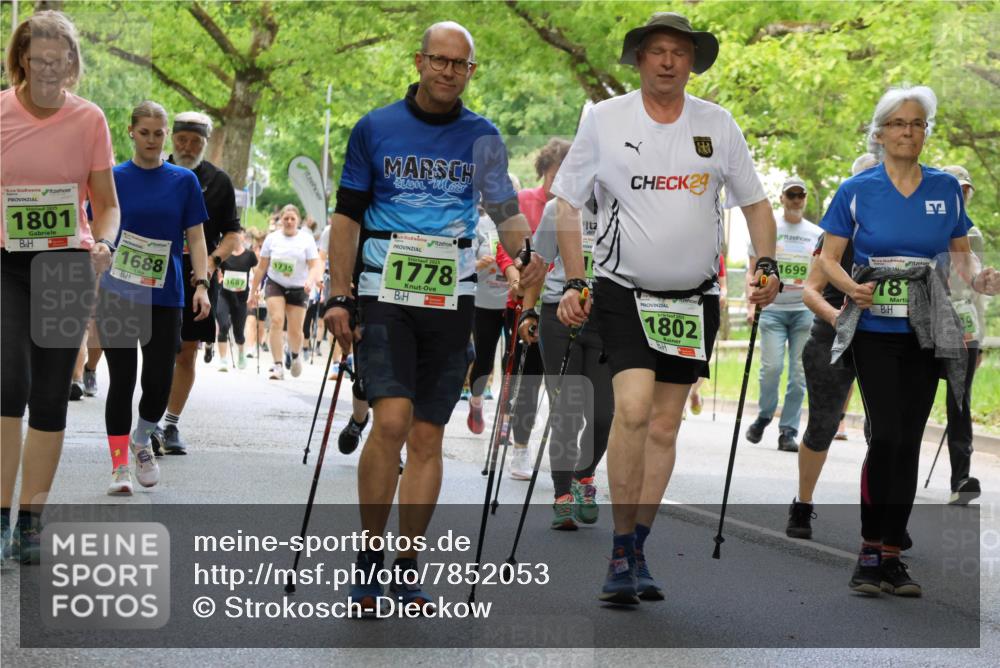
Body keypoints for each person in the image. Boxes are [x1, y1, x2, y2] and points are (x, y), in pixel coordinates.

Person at [552, 12, 779, 604]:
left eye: (680, 51)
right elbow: (567, 204)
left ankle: (636, 548)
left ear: (692, 62)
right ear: (639, 59)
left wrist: (766, 264)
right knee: (631, 410)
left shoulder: (717, 124)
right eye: (657, 50)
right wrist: (575, 279)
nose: (669, 61)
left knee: (664, 424)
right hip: (624, 291)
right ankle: (618, 546)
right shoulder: (605, 119)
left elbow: (756, 205)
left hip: (693, 299)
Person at [323, 21, 546, 614]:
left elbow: (504, 212)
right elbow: (346, 216)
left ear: (470, 71)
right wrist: (339, 293)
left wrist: (525, 256)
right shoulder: (374, 128)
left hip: (452, 297)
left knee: (427, 433)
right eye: (439, 60)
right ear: (420, 61)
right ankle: (369, 558)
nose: (449, 71)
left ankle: (406, 565)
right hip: (385, 291)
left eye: (460, 64)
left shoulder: (484, 137)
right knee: (391, 420)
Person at [817, 85, 999, 597]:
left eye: (917, 124)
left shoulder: (945, 189)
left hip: (927, 329)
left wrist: (980, 277)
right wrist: (851, 287)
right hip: (874, 329)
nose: (908, 132)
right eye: (898, 123)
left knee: (909, 439)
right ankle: (868, 550)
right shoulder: (857, 190)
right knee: (887, 437)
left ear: (925, 133)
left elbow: (962, 256)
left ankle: (893, 556)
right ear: (880, 133)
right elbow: (828, 258)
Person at [1, 10, 119, 562]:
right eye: (39, 59)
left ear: (72, 62)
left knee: (51, 394)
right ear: (21, 60)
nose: (49, 69)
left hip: (67, 264)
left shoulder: (89, 119)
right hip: (6, 263)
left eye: (59, 60)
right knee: (8, 384)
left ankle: (30, 520)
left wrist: (105, 242)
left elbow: (107, 204)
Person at [99, 101, 211, 495]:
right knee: (122, 380)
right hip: (117, 291)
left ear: (167, 136)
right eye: (144, 132)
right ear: (131, 132)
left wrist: (202, 283)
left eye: (158, 133)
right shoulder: (111, 178)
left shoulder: (183, 180)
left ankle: (142, 438)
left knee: (159, 381)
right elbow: (96, 228)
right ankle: (119, 467)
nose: (151, 140)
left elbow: (196, 237)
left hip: (165, 295)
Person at [787, 153, 879, 540]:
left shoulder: (902, 232)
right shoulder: (836, 232)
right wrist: (834, 316)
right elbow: (810, 290)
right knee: (823, 424)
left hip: (885, 339)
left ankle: (883, 517)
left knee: (884, 434)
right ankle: (802, 503)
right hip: (832, 337)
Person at [150, 111, 241, 455]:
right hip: (157, 270)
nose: (188, 147)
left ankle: (170, 423)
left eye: (195, 141)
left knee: (187, 350)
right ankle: (149, 420)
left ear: (205, 143)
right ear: (172, 139)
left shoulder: (218, 181)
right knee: (157, 350)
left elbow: (233, 234)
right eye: (182, 140)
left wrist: (212, 262)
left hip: (198, 275)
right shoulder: (156, 171)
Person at [520, 194, 613, 529]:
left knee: (603, 414)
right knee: (567, 412)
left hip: (606, 319)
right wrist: (528, 311)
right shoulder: (557, 208)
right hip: (559, 314)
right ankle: (562, 496)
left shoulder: (625, 204)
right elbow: (538, 263)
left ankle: (583, 477)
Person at [494, 138, 571, 478]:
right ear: (544, 172)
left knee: (562, 384)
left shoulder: (576, 207)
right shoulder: (525, 200)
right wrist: (514, 274)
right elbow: (505, 245)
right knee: (528, 378)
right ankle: (520, 448)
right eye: (554, 176)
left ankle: (565, 453)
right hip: (526, 301)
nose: (559, 183)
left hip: (562, 304)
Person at [744, 177, 823, 451]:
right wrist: (750, 304)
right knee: (772, 369)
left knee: (799, 374)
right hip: (772, 309)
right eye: (791, 195)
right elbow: (752, 269)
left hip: (803, 310)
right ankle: (765, 415)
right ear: (782, 198)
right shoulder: (769, 229)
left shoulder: (816, 233)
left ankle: (788, 430)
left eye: (801, 195)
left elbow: (821, 272)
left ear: (805, 199)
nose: (796, 200)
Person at [939, 164, 983, 506]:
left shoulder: (974, 234)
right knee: (910, 398)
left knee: (959, 401)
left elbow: (978, 288)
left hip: (964, 327)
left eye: (965, 190)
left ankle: (961, 480)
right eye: (956, 188)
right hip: (925, 324)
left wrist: (979, 338)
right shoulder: (924, 228)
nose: (961, 195)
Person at [249, 204, 321, 379]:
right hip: (276, 284)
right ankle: (277, 365)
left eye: (292, 219)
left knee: (295, 330)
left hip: (299, 287)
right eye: (286, 218)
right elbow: (261, 267)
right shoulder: (272, 239)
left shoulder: (306, 240)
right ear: (281, 220)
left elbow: (314, 265)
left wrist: (310, 281)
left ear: (298, 221)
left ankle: (295, 354)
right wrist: (253, 291)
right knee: (276, 320)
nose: (289, 222)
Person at [465, 209, 509, 434]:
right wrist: (480, 263)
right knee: (484, 361)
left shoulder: (520, 224)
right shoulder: (480, 224)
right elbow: (464, 263)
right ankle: (476, 401)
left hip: (513, 300)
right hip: (484, 302)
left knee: (512, 360)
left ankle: (505, 418)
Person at [688, 255, 727, 415]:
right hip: (683, 308)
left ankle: (693, 392)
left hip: (705, 308)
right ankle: (681, 402)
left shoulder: (717, 256)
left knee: (702, 358)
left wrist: (722, 295)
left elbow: (723, 285)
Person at [215, 228, 258, 371]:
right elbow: (216, 267)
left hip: (241, 298)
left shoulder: (250, 255)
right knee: (224, 325)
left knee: (239, 333)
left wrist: (255, 291)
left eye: (239, 235)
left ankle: (241, 353)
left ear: (243, 238)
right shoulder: (224, 254)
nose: (236, 238)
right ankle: (223, 360)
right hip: (224, 295)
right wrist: (219, 277)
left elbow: (257, 272)